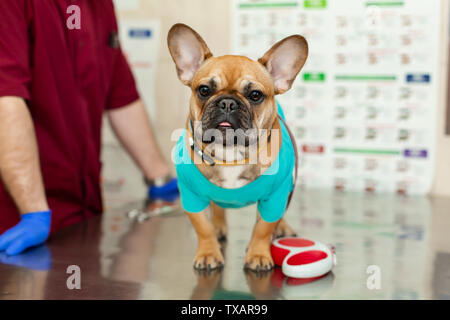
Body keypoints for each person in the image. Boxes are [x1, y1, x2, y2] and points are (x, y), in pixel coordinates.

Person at [0, 0, 178, 256]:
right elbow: (6, 98)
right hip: (17, 227)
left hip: (82, 219)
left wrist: (159, 177)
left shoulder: (100, 5)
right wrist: (33, 212)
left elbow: (121, 94)